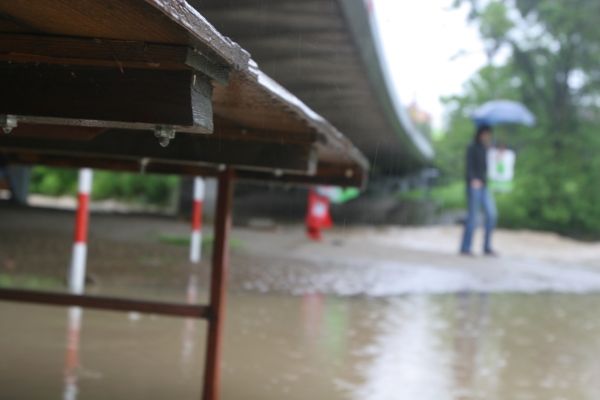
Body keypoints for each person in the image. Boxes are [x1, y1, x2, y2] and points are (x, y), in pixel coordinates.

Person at [460, 125, 497, 256]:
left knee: (492, 215)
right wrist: (472, 180)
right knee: (473, 217)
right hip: (474, 185)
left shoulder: (487, 149)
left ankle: (487, 246)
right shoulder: (472, 147)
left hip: (485, 186)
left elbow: (489, 168)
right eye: (486, 134)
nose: (488, 136)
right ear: (481, 134)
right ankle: (465, 247)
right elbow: (468, 167)